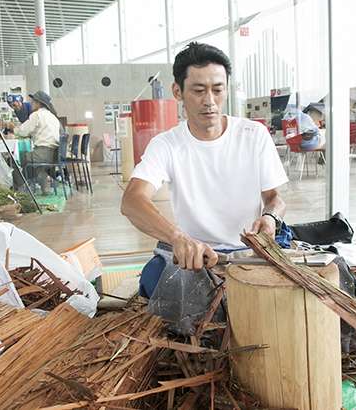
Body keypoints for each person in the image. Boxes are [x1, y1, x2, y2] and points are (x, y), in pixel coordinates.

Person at [120, 42, 290, 335]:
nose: (209, 101)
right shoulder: (168, 145)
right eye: (198, 91)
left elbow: (274, 198)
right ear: (178, 92)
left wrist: (271, 217)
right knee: (155, 280)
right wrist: (177, 238)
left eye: (218, 89)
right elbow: (132, 201)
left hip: (248, 252)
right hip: (198, 257)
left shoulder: (253, 135)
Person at [7, 90, 60, 195]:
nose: (31, 103)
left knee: (13, 160)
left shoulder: (37, 115)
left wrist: (12, 128)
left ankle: (19, 189)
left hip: (43, 153)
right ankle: (45, 188)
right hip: (54, 154)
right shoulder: (53, 116)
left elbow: (22, 131)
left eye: (33, 101)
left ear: (38, 103)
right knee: (37, 163)